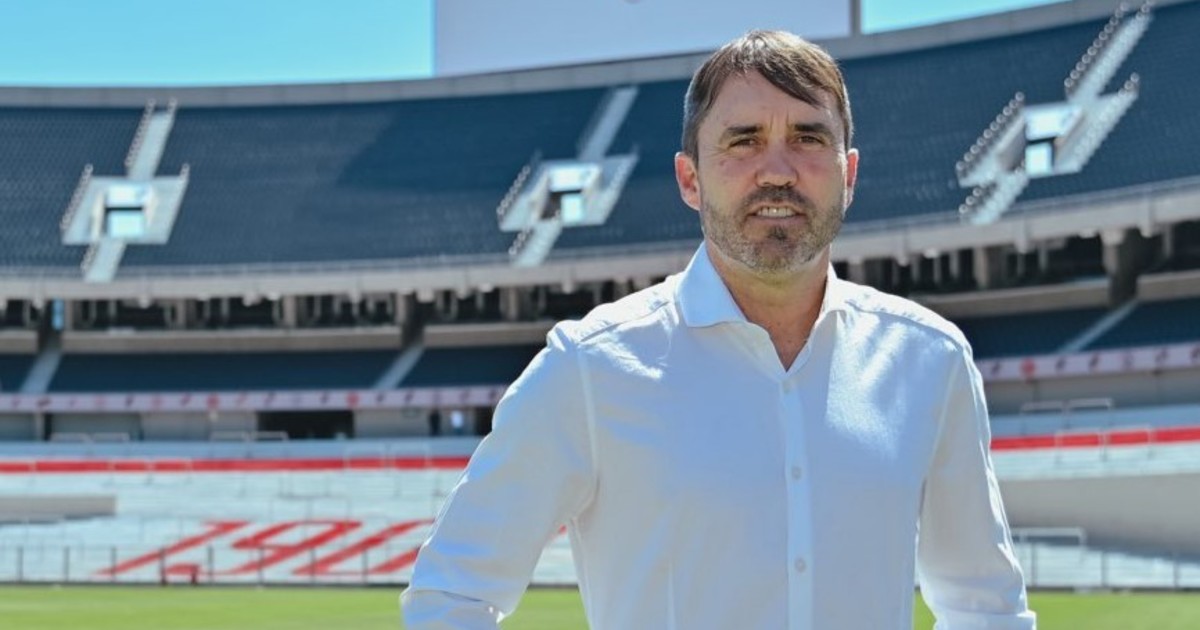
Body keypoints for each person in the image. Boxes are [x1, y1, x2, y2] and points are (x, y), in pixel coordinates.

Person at [402, 30, 1035, 629]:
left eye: (809, 137)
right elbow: (450, 594)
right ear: (690, 179)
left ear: (848, 175)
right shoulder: (590, 368)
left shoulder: (930, 361)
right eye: (744, 140)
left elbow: (986, 609)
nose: (777, 170)